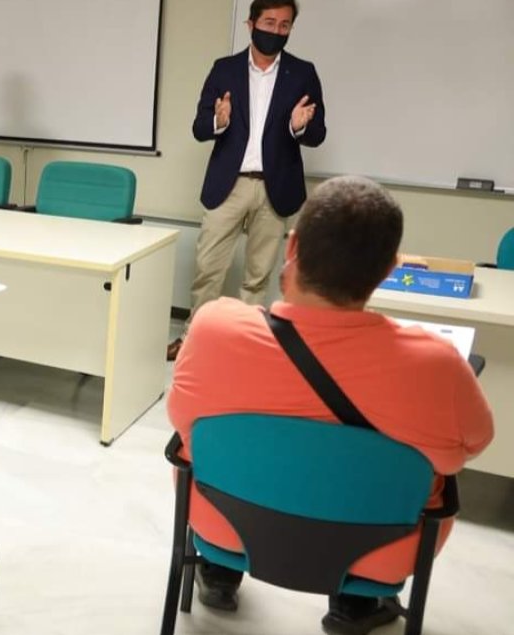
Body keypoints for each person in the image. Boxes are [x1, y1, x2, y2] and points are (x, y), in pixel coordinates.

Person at [168, 176, 493, 634]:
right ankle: (356, 602)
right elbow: (465, 449)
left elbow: (182, 422)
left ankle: (220, 570)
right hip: (383, 549)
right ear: (389, 269)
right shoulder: (437, 365)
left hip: (222, 524)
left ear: (292, 246)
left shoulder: (213, 328)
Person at [168, 0, 327, 360]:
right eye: (270, 22)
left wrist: (298, 126)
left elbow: (318, 134)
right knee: (209, 269)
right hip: (229, 184)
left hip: (276, 188)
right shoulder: (224, 69)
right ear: (251, 24)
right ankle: (195, 337)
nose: (277, 30)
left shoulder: (303, 73)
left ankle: (243, 343)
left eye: (285, 25)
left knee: (258, 275)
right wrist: (218, 121)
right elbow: (198, 127)